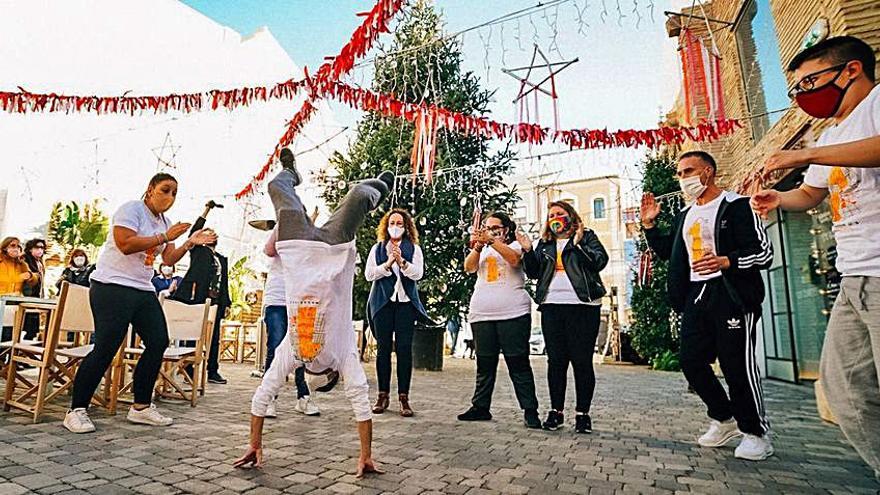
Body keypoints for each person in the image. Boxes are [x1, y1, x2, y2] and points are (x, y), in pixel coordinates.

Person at [750, 36, 880, 475]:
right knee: (844, 390)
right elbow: (811, 193)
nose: (803, 95)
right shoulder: (833, 133)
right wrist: (777, 200)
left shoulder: (876, 103)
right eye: (797, 89)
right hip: (853, 278)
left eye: (810, 81)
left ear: (851, 71)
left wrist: (805, 152)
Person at [234, 148, 390, 477]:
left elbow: (262, 396)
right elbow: (360, 401)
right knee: (360, 194)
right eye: (320, 378)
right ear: (331, 375)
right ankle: (382, 186)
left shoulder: (292, 353)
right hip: (333, 249)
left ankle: (291, 172)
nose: (314, 371)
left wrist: (254, 443)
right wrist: (365, 454)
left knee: (278, 187)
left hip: (297, 248)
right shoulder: (344, 354)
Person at [642, 151, 774, 461]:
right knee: (691, 362)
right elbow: (668, 253)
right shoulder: (685, 216)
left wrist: (729, 261)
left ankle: (756, 432)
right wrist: (650, 226)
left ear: (709, 171)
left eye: (689, 170)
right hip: (696, 295)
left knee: (736, 365)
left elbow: (763, 253)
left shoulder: (739, 206)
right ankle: (724, 418)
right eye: (679, 173)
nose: (683, 178)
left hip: (731, 293)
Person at [63, 173, 216, 434]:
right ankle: (76, 410)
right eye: (165, 190)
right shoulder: (131, 210)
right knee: (106, 347)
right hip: (111, 285)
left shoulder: (165, 222)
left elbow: (168, 260)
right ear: (150, 190)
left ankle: (141, 407)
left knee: (158, 341)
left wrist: (189, 242)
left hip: (142, 288)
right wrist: (163, 237)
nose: (170, 197)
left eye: (174, 193)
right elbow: (125, 244)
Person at [520, 201, 608, 434]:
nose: (555, 218)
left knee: (582, 361)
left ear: (570, 216)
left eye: (560, 213)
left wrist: (578, 246)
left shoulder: (586, 236)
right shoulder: (546, 243)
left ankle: (583, 414)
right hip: (552, 306)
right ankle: (556, 411)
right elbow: (533, 272)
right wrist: (529, 251)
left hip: (583, 305)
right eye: (551, 215)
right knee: (556, 362)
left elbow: (600, 262)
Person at [457, 212, 540, 429]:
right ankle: (480, 406)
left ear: (506, 228)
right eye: (487, 227)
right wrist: (477, 246)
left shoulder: (515, 245)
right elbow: (469, 267)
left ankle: (530, 410)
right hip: (482, 313)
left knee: (518, 361)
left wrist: (492, 241)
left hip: (513, 312)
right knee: (485, 362)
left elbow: (514, 261)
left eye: (495, 227)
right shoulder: (483, 250)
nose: (491, 230)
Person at [365, 208, 429, 417]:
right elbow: (369, 275)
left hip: (405, 304)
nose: (395, 226)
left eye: (400, 223)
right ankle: (382, 395)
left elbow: (418, 273)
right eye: (392, 222)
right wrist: (388, 264)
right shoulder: (377, 249)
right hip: (383, 303)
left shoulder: (414, 249)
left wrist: (402, 262)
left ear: (406, 226)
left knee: (404, 349)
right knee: (383, 348)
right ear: (386, 225)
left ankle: (404, 397)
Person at [260, 225, 319, 417]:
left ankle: (303, 398)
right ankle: (269, 398)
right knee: (275, 347)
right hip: (277, 300)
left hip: (300, 301)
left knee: (301, 350)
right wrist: (281, 221)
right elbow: (268, 250)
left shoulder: (308, 241)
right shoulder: (281, 234)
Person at [172, 200, 230, 384]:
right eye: (206, 233)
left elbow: (224, 282)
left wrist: (227, 303)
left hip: (215, 302)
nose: (210, 234)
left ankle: (212, 371)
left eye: (212, 233)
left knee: (213, 338)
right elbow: (193, 232)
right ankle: (187, 369)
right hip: (196, 298)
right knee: (192, 334)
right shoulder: (198, 251)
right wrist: (206, 210)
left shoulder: (221, 258)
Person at [1, 237, 39, 342]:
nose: (16, 248)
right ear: (5, 248)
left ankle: (6, 356)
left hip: (15, 303)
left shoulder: (21, 264)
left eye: (18, 246)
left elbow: (35, 279)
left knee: (11, 334)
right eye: (12, 246)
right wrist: (18, 278)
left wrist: (30, 275)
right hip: (2, 301)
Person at [21, 239, 47, 339]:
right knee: (23, 324)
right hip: (26, 296)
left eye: (42, 248)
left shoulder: (40, 263)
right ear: (30, 249)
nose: (40, 250)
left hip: (36, 297)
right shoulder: (25, 260)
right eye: (37, 247)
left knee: (31, 329)